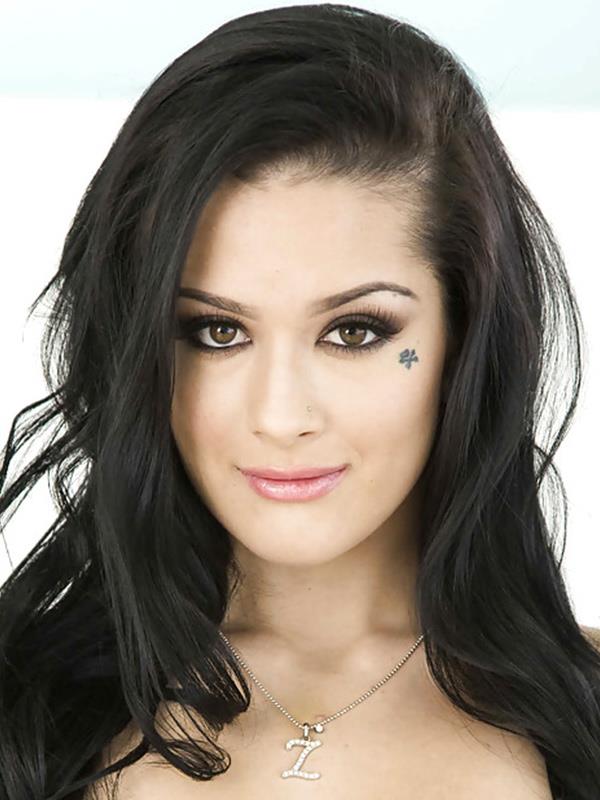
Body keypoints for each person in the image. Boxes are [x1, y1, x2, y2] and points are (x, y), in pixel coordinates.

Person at [1, 4, 599, 799]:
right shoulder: (25, 703)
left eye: (354, 332)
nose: (281, 417)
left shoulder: (581, 712)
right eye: (217, 331)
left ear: (466, 337)